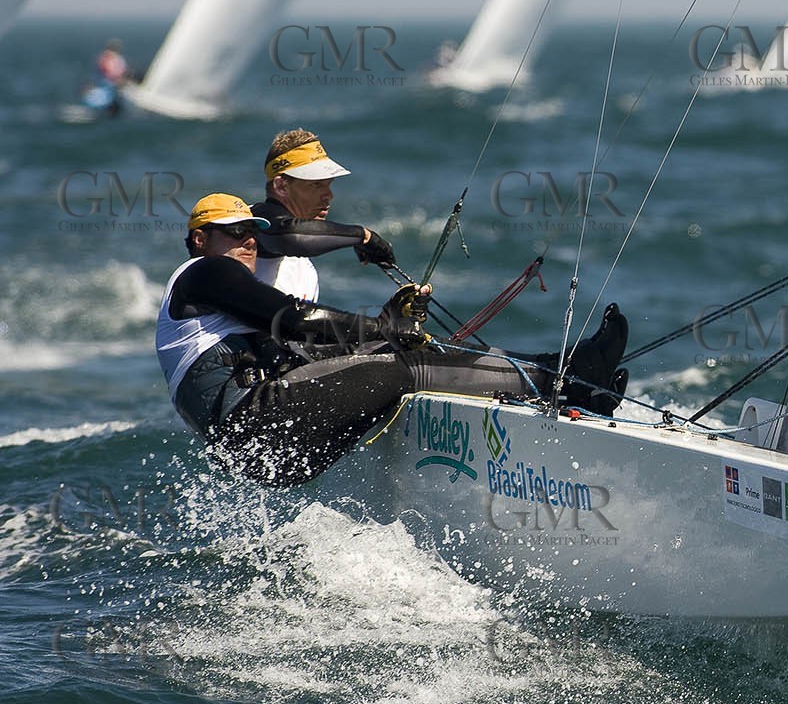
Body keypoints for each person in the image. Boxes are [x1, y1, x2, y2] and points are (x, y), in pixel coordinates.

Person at [156, 193, 629, 487]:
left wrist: (387, 327)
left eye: (253, 233)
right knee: (406, 366)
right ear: (200, 240)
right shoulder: (204, 273)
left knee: (404, 354)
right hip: (255, 428)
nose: (248, 241)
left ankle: (566, 376)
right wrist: (386, 330)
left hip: (265, 452)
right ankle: (562, 378)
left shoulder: (223, 305)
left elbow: (310, 352)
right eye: (233, 233)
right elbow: (296, 320)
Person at [249, 128, 395, 302]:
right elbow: (290, 236)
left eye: (329, 184)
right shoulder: (251, 222)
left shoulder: (304, 269)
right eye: (316, 185)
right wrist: (363, 236)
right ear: (281, 187)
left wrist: (392, 317)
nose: (329, 195)